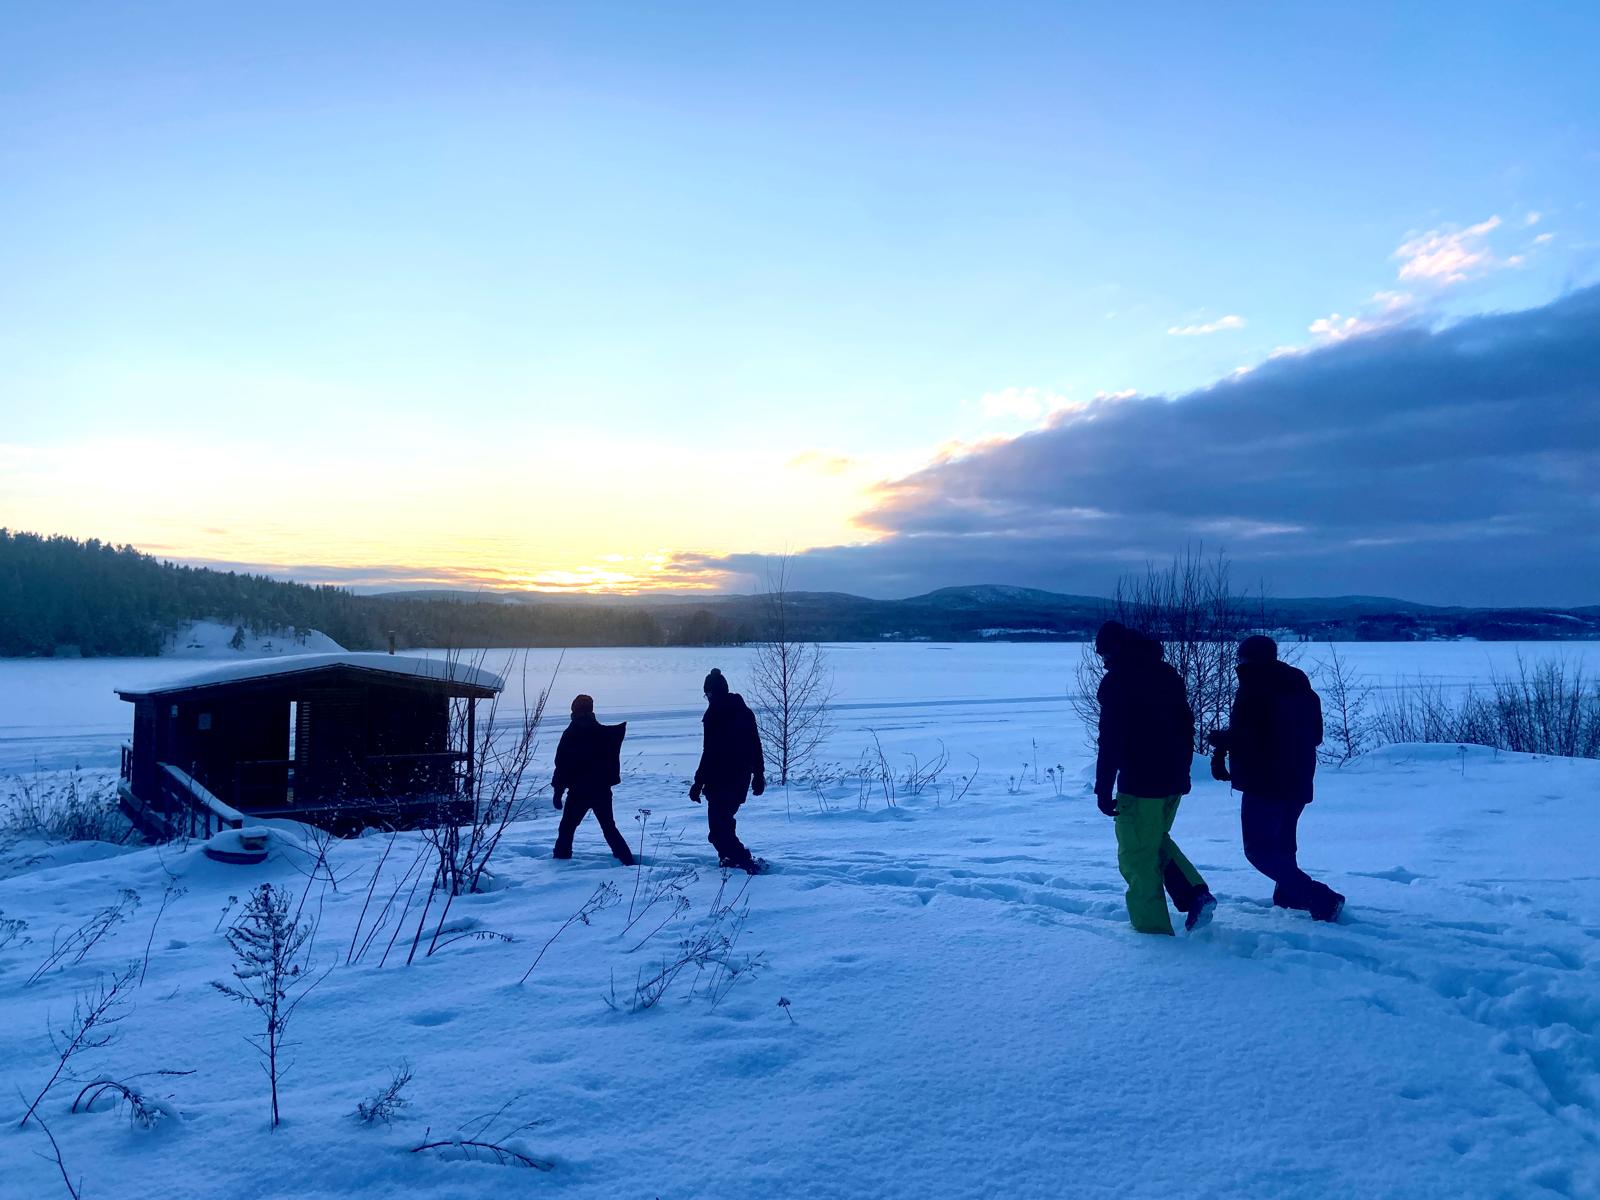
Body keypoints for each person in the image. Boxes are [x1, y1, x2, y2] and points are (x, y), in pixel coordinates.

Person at [1210, 635, 1345, 922]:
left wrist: (1221, 740)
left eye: (1241, 657)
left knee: (1258, 850)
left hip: (1265, 781)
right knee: (1283, 843)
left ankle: (1318, 896)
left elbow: (1252, 737)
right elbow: (1316, 736)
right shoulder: (1301, 687)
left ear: (1247, 658)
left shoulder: (1252, 688)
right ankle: (1289, 896)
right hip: (1298, 777)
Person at [1094, 620, 1216, 935]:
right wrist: (1184, 772)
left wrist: (1103, 787)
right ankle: (1194, 894)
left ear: (1113, 650)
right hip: (1172, 780)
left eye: (1104, 654)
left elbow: (1110, 740)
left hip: (1141, 783)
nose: (1103, 661)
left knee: (1136, 856)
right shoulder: (1167, 675)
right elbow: (1186, 727)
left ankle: (1152, 933)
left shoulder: (1118, 682)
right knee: (1154, 841)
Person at [689, 668, 766, 874]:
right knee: (724, 823)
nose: (707, 698)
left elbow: (709, 752)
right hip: (739, 779)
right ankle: (728, 858)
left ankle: (743, 861)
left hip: (721, 780)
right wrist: (758, 774)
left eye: (707, 694)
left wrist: (698, 782)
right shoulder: (743, 711)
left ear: (713, 693)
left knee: (717, 830)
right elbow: (755, 746)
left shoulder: (715, 714)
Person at [551, 694, 634, 865]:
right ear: (591, 710)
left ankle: (560, 860)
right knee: (609, 828)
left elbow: (562, 764)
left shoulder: (571, 732)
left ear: (574, 710)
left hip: (578, 792)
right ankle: (627, 860)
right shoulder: (601, 732)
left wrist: (558, 791)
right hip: (601, 790)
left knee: (567, 828)